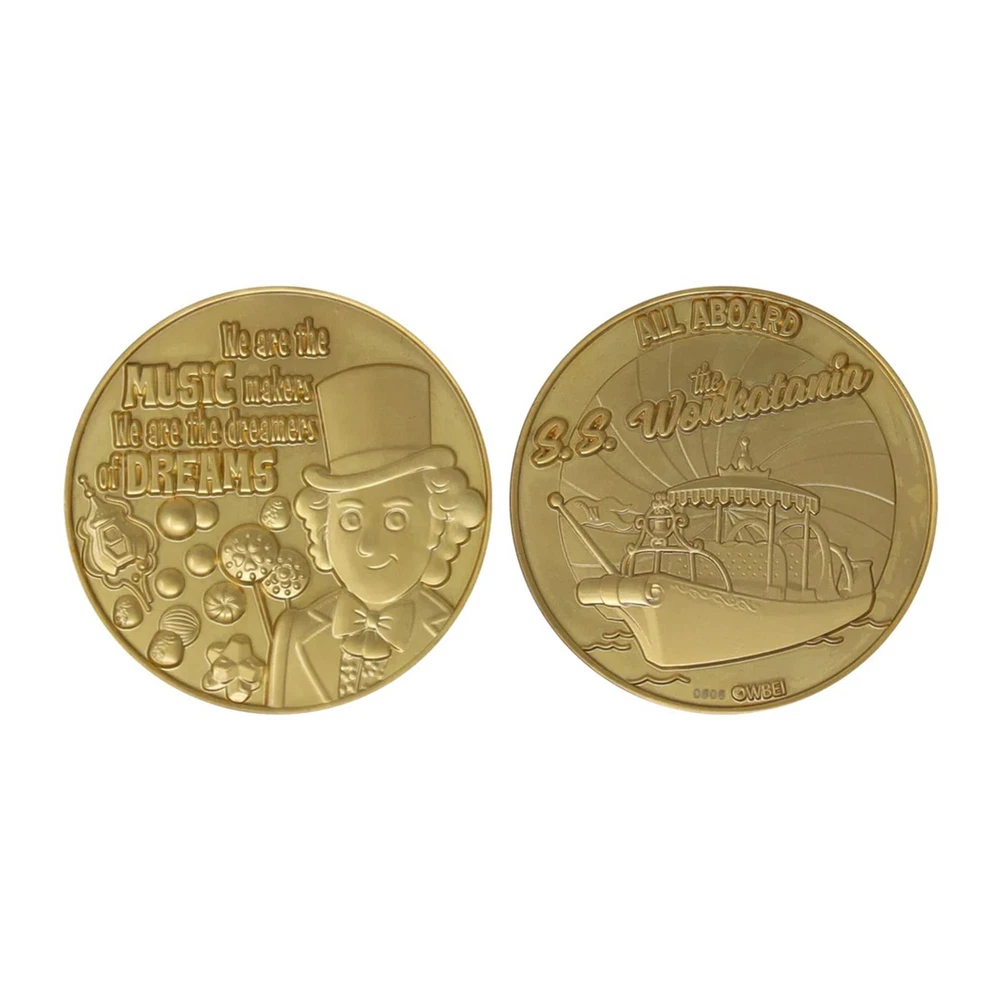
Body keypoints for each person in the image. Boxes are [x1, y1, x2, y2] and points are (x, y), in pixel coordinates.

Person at [266, 363, 485, 707]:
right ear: (324, 528)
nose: (368, 545)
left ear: (436, 526)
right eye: (350, 519)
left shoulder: (457, 632)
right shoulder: (293, 633)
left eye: (395, 519)